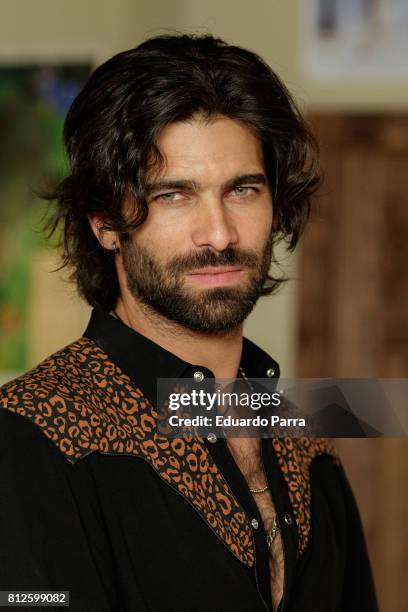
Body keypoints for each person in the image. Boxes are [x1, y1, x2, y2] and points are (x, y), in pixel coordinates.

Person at [0, 34, 378, 612]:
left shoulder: (307, 437)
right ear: (105, 220)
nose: (221, 234)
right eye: (175, 195)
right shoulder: (34, 434)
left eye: (243, 190)